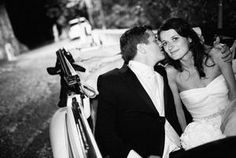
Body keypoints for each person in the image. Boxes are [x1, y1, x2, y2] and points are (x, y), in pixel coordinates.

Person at [95, 25, 183, 158]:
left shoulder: (163, 72)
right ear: (141, 48)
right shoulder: (112, 81)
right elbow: (104, 133)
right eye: (155, 40)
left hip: (180, 147)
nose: (161, 44)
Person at [158, 17, 236, 150]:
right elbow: (179, 111)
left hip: (232, 117)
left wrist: (229, 123)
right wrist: (185, 137)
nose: (170, 47)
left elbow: (234, 94)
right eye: (165, 43)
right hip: (201, 131)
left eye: (175, 39)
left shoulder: (216, 55)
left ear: (189, 38)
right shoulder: (171, 72)